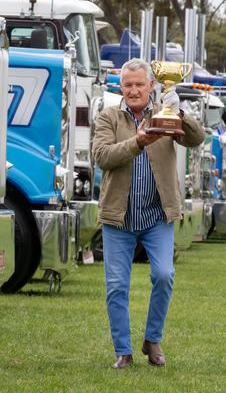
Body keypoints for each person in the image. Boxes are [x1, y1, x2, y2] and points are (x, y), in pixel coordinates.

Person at [92, 58, 204, 369]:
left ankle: (152, 340)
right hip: (119, 217)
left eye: (140, 84)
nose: (134, 90)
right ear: (121, 88)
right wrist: (137, 142)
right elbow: (102, 157)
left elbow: (196, 139)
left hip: (157, 216)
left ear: (151, 86)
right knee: (116, 285)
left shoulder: (164, 115)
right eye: (128, 85)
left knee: (164, 276)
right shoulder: (108, 118)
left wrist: (178, 111)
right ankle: (123, 351)